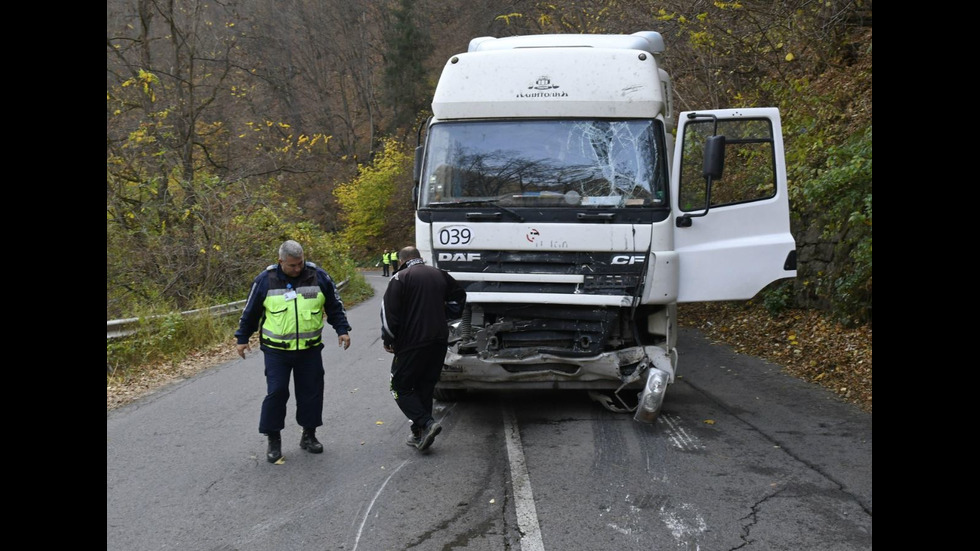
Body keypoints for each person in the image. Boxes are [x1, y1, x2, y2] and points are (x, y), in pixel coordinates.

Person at [235, 240, 352, 463]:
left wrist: (342, 329)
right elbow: (251, 311)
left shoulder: (319, 276)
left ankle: (309, 435)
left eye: (300, 263)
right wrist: (242, 337)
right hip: (276, 351)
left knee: (312, 392)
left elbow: (334, 305)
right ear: (280, 262)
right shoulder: (265, 280)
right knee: (277, 392)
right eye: (292, 265)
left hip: (309, 350)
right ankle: (273, 439)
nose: (298, 269)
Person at [380, 246, 466, 451]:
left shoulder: (400, 278)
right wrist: (445, 314)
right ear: (419, 258)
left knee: (399, 387)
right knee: (425, 386)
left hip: (412, 343)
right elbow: (460, 297)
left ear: (401, 261)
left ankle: (427, 424)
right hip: (438, 341)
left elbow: (388, 313)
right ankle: (419, 434)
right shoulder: (440, 275)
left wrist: (389, 339)